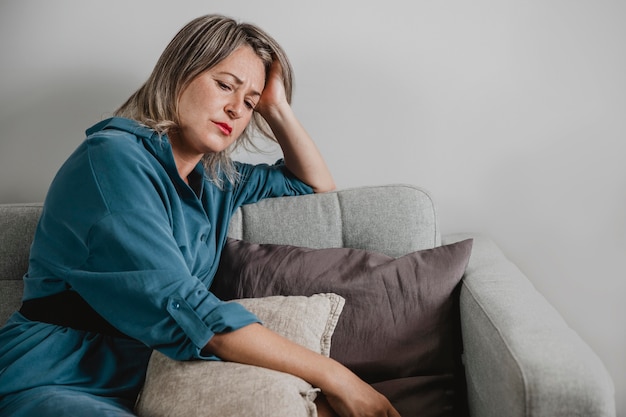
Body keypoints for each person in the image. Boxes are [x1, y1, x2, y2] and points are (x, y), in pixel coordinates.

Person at [0, 14, 400, 417]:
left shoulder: (215, 180)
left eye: (249, 103)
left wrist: (275, 106)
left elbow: (314, 185)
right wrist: (338, 377)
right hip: (55, 377)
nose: (235, 109)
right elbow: (188, 308)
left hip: (154, 380)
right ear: (177, 75)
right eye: (225, 85)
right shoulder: (110, 160)